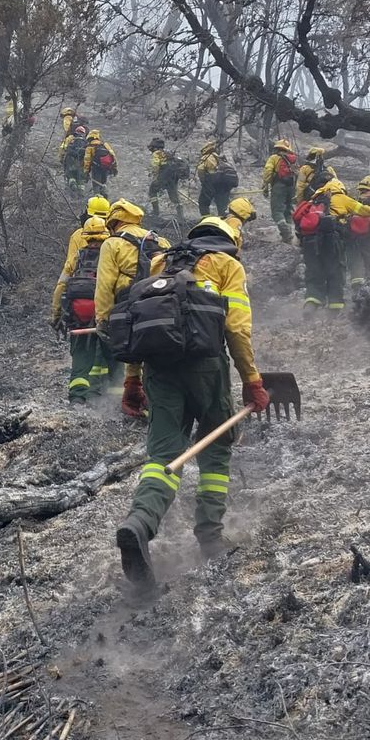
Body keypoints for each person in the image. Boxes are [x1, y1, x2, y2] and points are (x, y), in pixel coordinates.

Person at [112, 212, 268, 597]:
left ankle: (139, 522)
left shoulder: (159, 264)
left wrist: (132, 379)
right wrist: (251, 380)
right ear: (230, 241)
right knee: (216, 448)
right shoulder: (227, 265)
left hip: (159, 369)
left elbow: (138, 324)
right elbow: (236, 328)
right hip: (206, 368)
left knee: (163, 455)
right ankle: (211, 537)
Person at [93, 199, 169, 417]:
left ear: (113, 222)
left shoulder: (112, 243)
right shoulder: (160, 240)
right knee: (159, 356)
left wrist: (103, 318)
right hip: (164, 306)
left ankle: (139, 396)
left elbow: (105, 285)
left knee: (135, 347)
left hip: (131, 306)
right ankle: (162, 404)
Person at [51, 215, 110, 404]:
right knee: (110, 356)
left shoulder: (77, 257)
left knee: (80, 355)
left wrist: (56, 314)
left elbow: (61, 286)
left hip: (77, 316)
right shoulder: (111, 256)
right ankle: (108, 396)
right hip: (103, 313)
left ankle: (77, 396)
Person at [295, 175, 370, 310]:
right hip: (331, 239)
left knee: (314, 272)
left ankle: (311, 302)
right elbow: (364, 211)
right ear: (340, 188)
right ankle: (335, 306)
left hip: (310, 240)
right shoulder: (341, 198)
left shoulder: (313, 200)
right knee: (335, 270)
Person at [262, 139, 298, 242]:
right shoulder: (293, 159)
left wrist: (265, 185)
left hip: (279, 186)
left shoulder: (274, 158)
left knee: (277, 211)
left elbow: (268, 171)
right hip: (291, 187)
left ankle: (286, 232)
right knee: (288, 210)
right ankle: (290, 234)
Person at [148, 138, 187, 219]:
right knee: (173, 195)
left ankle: (155, 212)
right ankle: (180, 215)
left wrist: (155, 178)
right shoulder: (168, 153)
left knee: (152, 191)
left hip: (163, 176)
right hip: (173, 177)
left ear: (155, 147)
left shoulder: (156, 154)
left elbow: (155, 166)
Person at [197, 140, 238, 217]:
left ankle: (207, 219)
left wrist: (203, 182)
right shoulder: (221, 158)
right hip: (224, 183)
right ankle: (224, 220)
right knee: (222, 205)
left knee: (203, 203)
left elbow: (200, 169)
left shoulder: (206, 158)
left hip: (211, 182)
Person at [348, 177, 370, 295]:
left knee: (356, 256)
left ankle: (357, 283)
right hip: (366, 233)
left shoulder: (356, 201)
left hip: (355, 234)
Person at [61, 122, 89, 190]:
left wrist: (61, 158)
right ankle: (81, 189)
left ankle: (72, 184)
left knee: (70, 174)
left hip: (70, 159)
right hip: (81, 161)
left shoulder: (70, 138)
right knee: (80, 176)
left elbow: (63, 148)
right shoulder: (86, 141)